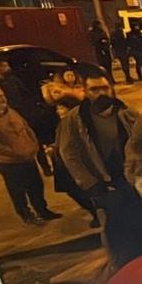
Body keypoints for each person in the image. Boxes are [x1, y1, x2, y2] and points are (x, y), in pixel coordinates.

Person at [0, 83, 60, 225]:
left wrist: (33, 146)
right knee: (18, 191)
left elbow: (26, 128)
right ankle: (26, 215)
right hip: (9, 163)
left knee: (36, 185)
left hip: (27, 158)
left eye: (2, 94)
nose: (2, 97)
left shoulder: (11, 111)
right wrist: (15, 153)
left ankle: (42, 210)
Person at [56, 73, 133, 219]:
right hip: (103, 184)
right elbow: (69, 153)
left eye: (105, 88)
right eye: (94, 89)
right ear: (85, 91)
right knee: (114, 222)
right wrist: (90, 183)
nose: (101, 93)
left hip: (130, 178)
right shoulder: (74, 120)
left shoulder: (126, 112)